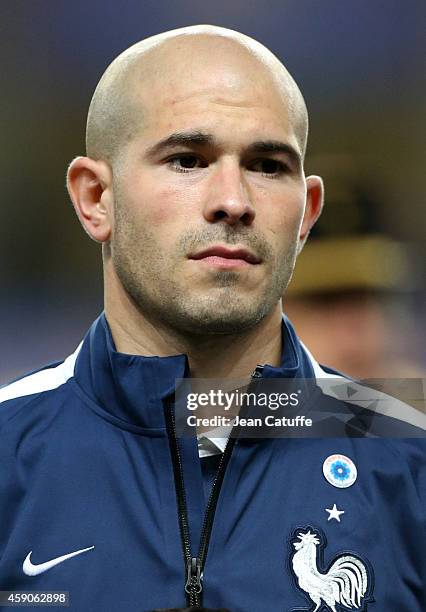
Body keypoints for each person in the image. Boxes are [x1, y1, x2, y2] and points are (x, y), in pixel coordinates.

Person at [0, 25, 425, 612]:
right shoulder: (8, 458)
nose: (233, 199)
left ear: (306, 214)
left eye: (268, 165)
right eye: (186, 160)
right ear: (97, 198)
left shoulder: (411, 464)